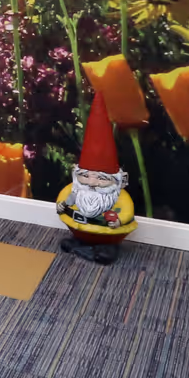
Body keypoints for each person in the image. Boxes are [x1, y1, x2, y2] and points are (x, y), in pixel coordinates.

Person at [56, 91, 137, 264]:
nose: (92, 182)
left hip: (108, 233)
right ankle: (80, 243)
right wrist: (62, 205)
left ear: (115, 180)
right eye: (86, 177)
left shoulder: (118, 196)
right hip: (78, 227)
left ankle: (107, 248)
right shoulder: (76, 190)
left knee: (107, 250)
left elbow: (127, 209)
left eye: (101, 179)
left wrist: (119, 221)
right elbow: (67, 197)